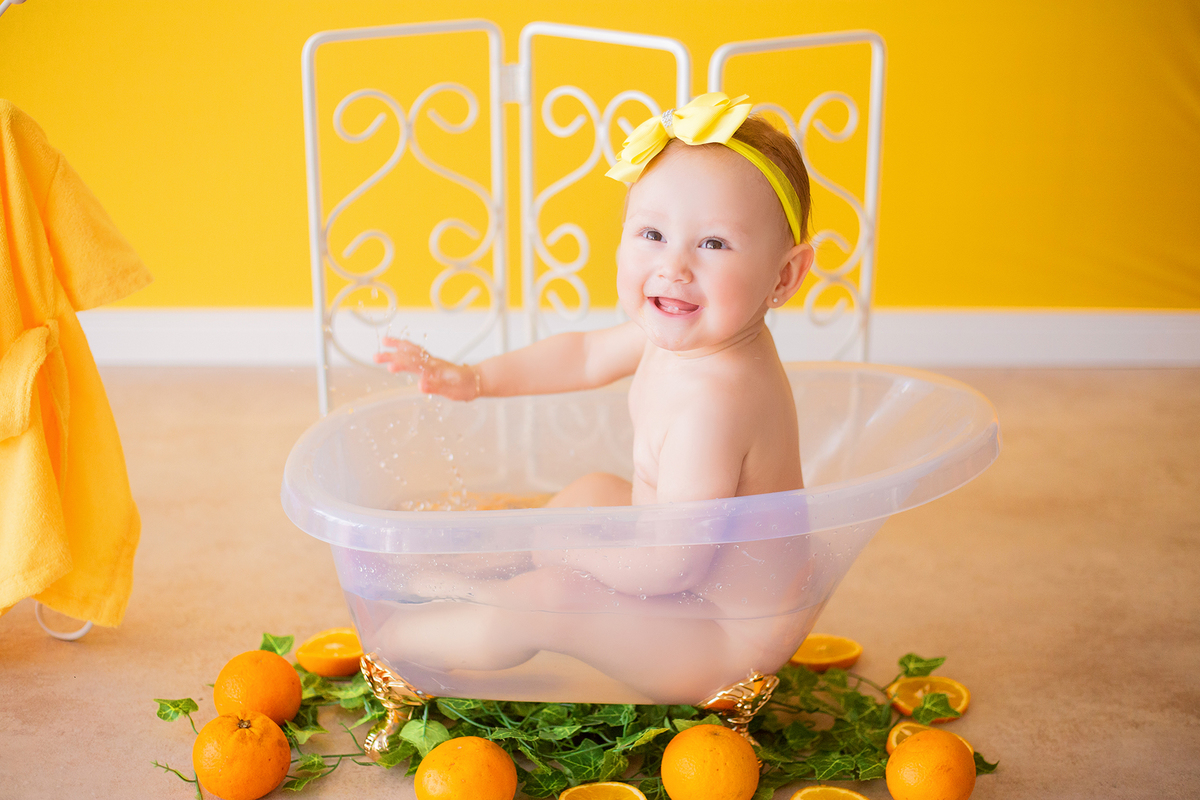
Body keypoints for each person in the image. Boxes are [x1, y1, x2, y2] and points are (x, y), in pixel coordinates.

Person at [370, 94, 817, 700]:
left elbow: (671, 564)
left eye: (714, 244)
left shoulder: (714, 406)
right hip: (687, 577)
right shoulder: (692, 336)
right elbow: (582, 355)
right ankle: (484, 587)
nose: (674, 267)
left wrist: (571, 551)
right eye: (653, 233)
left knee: (551, 596)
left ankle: (393, 641)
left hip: (721, 638)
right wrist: (474, 379)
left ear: (783, 276)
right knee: (589, 494)